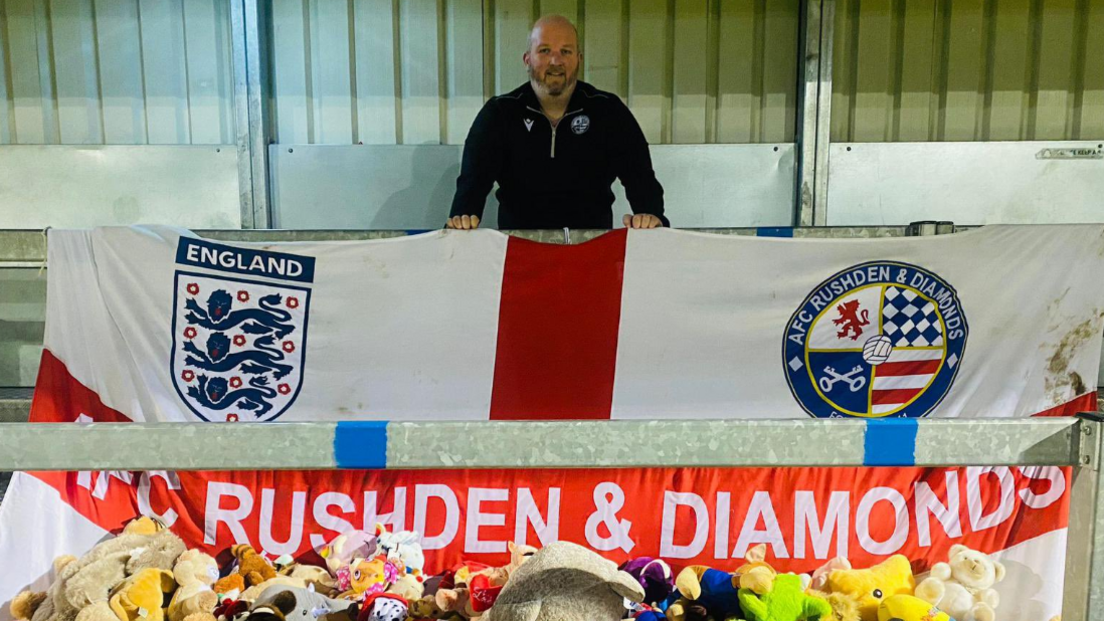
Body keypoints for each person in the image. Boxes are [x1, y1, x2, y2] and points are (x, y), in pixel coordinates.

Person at [447, 15, 667, 230]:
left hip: (593, 253)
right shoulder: (499, 113)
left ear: (579, 59)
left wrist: (651, 216)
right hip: (519, 252)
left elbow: (641, 178)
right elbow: (472, 184)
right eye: (544, 51)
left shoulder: (608, 111)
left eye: (565, 51)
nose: (555, 61)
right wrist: (461, 219)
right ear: (527, 59)